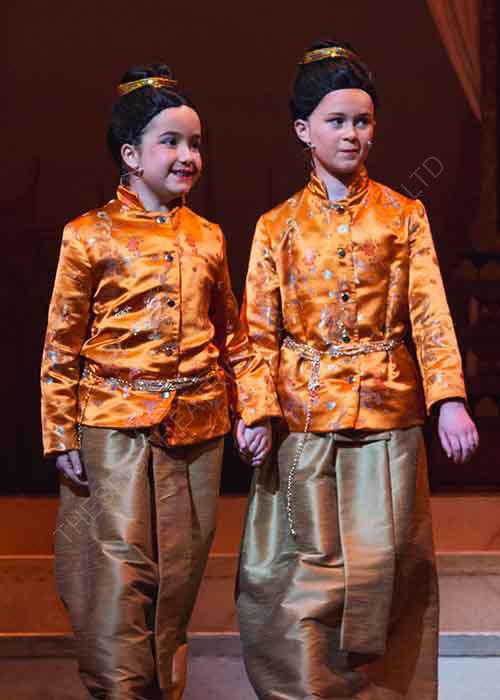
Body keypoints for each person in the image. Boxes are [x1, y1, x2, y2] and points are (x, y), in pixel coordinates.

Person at [236, 41, 479, 700]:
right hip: (304, 422)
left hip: (388, 419)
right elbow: (255, 332)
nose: (352, 134)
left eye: (363, 120)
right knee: (302, 574)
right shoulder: (276, 227)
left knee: (389, 568)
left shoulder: (404, 216)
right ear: (303, 130)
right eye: (338, 120)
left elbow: (429, 312)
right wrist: (255, 409)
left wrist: (448, 399)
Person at [40, 63, 278, 700]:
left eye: (195, 143)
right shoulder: (88, 235)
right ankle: (118, 691)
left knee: (177, 580)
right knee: (119, 577)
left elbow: (234, 337)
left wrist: (253, 410)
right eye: (170, 142)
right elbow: (62, 342)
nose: (187, 155)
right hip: (112, 428)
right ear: (129, 155)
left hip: (196, 430)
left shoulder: (207, 237)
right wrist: (60, 429)